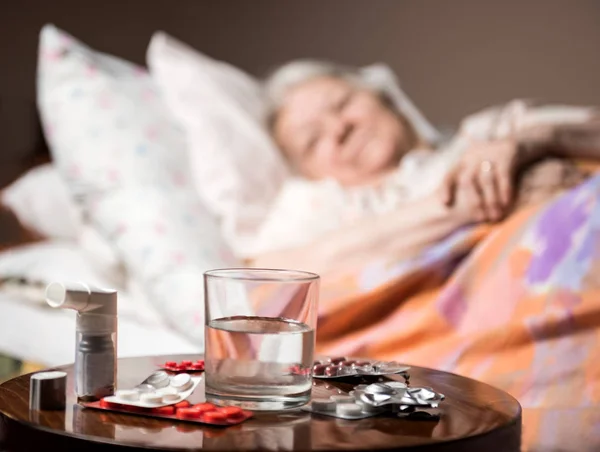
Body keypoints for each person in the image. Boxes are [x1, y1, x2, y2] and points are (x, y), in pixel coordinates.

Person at [251, 60, 600, 273]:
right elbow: (262, 279)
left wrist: (532, 142)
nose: (339, 129)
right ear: (307, 172)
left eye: (341, 104)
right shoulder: (317, 206)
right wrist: (456, 208)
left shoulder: (483, 135)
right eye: (312, 139)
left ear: (384, 97)